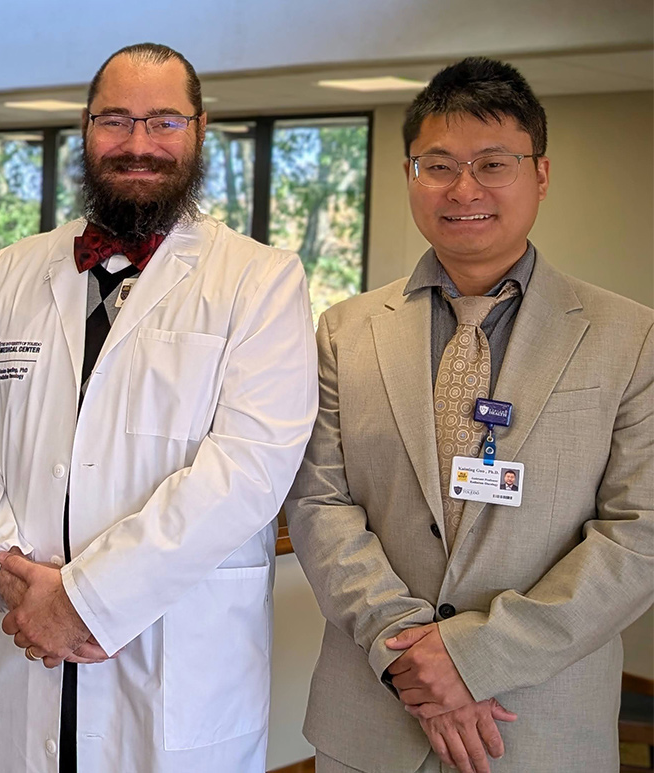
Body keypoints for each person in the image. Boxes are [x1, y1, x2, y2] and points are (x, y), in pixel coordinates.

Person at [0, 42, 318, 773]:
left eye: (163, 122)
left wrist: (84, 599)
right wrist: (6, 572)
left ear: (200, 130)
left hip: (173, 659)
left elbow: (246, 472)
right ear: (86, 129)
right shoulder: (11, 271)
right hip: (21, 645)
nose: (138, 144)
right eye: (115, 120)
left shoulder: (261, 280)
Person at [286, 57, 654, 773]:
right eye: (438, 165)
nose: (464, 189)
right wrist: (407, 649)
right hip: (373, 713)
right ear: (408, 174)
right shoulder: (344, 329)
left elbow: (638, 534)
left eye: (493, 163)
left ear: (540, 174)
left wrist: (475, 657)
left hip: (538, 722)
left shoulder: (629, 336)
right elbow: (319, 501)